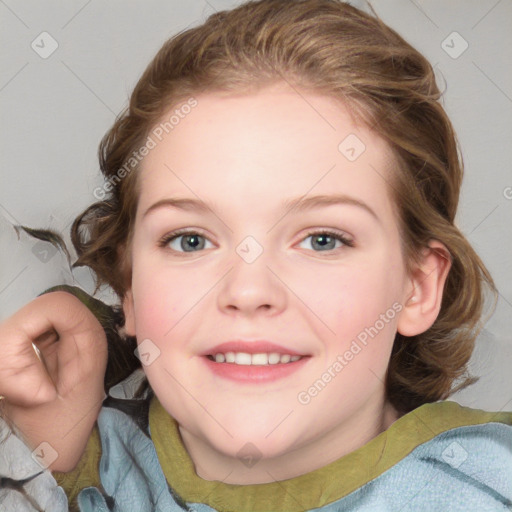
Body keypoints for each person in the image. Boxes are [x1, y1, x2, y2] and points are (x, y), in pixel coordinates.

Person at [1, 0, 511, 510]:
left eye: (322, 240)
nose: (248, 291)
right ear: (129, 286)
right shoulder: (67, 462)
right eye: (191, 240)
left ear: (417, 287)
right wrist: (47, 468)